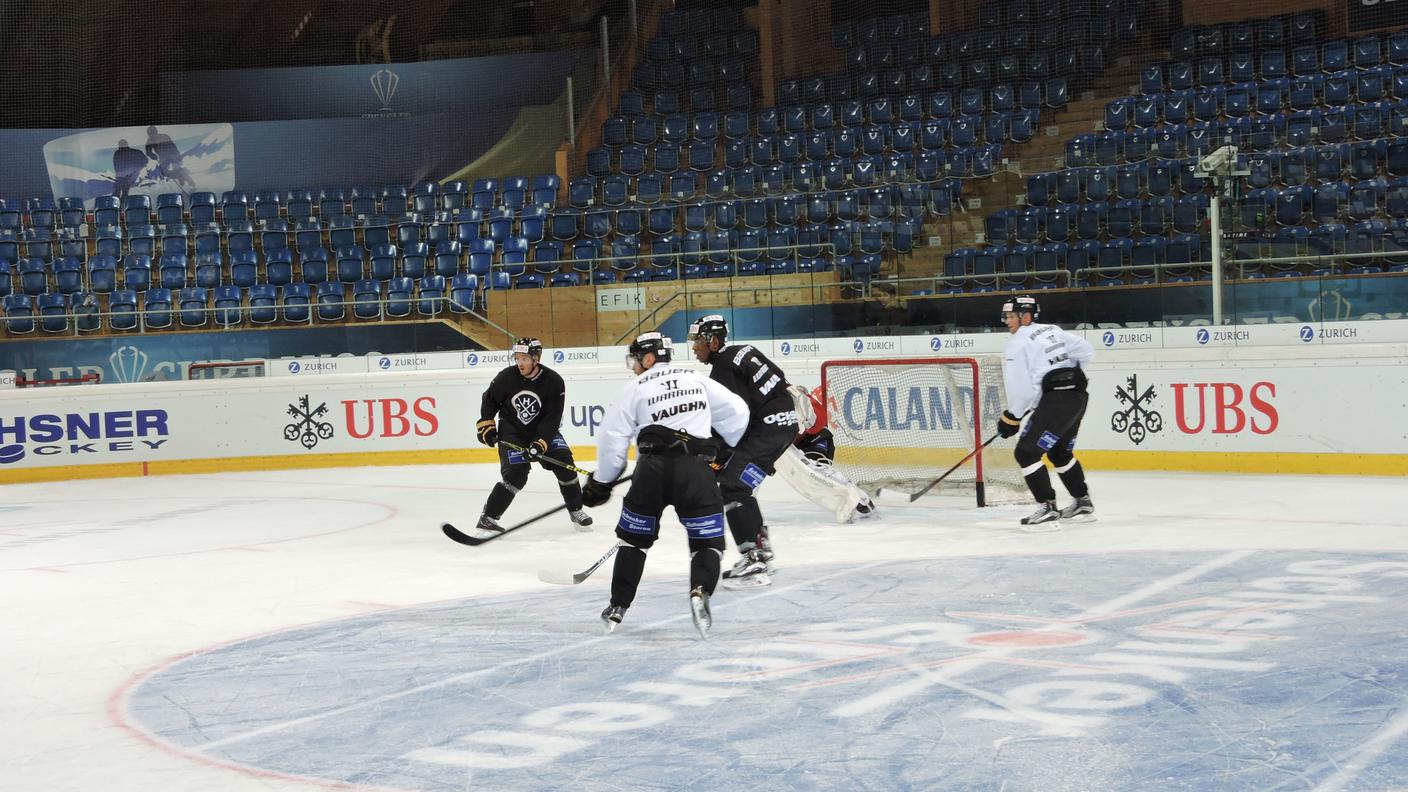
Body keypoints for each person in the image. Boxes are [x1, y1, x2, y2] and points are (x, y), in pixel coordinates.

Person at [582, 332, 749, 638]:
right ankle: (700, 592)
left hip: (651, 471)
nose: (633, 367)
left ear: (648, 358)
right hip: (696, 471)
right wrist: (724, 447)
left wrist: (602, 483)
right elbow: (738, 411)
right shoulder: (697, 379)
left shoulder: (634, 388)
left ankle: (618, 606)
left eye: (635, 360)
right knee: (707, 544)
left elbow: (612, 439)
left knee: (634, 541)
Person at [687, 314, 798, 588]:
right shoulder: (743, 352)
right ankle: (762, 551)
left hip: (766, 433)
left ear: (713, 341)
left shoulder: (723, 368)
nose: (693, 347)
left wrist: (713, 452)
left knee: (731, 487)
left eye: (697, 341)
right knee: (738, 486)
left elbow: (736, 418)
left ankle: (753, 558)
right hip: (782, 428)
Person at [995, 295, 1096, 529]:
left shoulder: (1017, 342)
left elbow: (1020, 387)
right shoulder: (1053, 330)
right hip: (1078, 397)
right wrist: (1066, 376)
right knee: (1060, 453)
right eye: (1007, 316)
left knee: (1026, 453)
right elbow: (1087, 351)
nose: (1007, 321)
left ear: (1026, 316)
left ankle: (1047, 508)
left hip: (1057, 402)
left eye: (1011, 316)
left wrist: (1013, 416)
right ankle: (1082, 502)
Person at [474, 337, 593, 533]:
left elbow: (552, 418)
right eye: (517, 358)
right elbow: (489, 401)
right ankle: (488, 518)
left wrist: (540, 443)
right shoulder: (506, 377)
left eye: (525, 358)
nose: (520, 363)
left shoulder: (554, 381)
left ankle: (576, 509)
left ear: (536, 359)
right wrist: (487, 425)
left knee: (565, 464)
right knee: (515, 475)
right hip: (512, 431)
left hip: (543, 431)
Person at [773, 384, 876, 523]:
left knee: (816, 474)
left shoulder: (791, 396)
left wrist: (808, 418)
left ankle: (861, 501)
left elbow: (818, 420)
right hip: (785, 445)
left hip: (815, 440)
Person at [144, 126, 195, 191]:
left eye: (153, 133)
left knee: (174, 169)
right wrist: (153, 156)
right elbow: (148, 152)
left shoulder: (160, 138)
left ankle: (186, 180)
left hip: (171, 156)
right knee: (166, 172)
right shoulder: (151, 141)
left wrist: (177, 157)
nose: (152, 135)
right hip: (167, 157)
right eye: (151, 133)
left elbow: (172, 146)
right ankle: (182, 178)